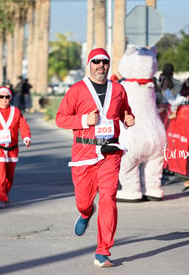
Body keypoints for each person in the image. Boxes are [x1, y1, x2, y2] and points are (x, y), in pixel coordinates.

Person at [55, 48, 135, 268]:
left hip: (110, 152)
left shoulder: (118, 89)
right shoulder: (77, 90)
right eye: (97, 62)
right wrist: (83, 120)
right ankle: (85, 213)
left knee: (108, 198)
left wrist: (129, 119)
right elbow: (61, 118)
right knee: (83, 200)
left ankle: (103, 251)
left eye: (105, 62)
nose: (101, 66)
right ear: (89, 64)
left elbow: (126, 112)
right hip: (84, 153)